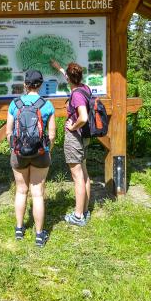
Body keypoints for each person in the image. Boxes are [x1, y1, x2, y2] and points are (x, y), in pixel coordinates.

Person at [6, 69, 56, 247]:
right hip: (41, 154)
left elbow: (9, 132)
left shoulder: (15, 104)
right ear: (40, 85)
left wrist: (16, 148)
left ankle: (19, 229)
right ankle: (39, 234)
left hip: (19, 154)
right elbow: (51, 135)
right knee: (37, 194)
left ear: (26, 84)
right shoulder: (47, 105)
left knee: (21, 191)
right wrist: (46, 149)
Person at [51, 60, 92, 226]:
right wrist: (60, 68)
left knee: (77, 177)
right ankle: (84, 210)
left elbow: (83, 117)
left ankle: (77, 216)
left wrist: (73, 127)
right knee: (84, 173)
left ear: (68, 78)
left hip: (75, 138)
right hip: (85, 137)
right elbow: (70, 77)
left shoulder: (75, 95)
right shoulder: (85, 88)